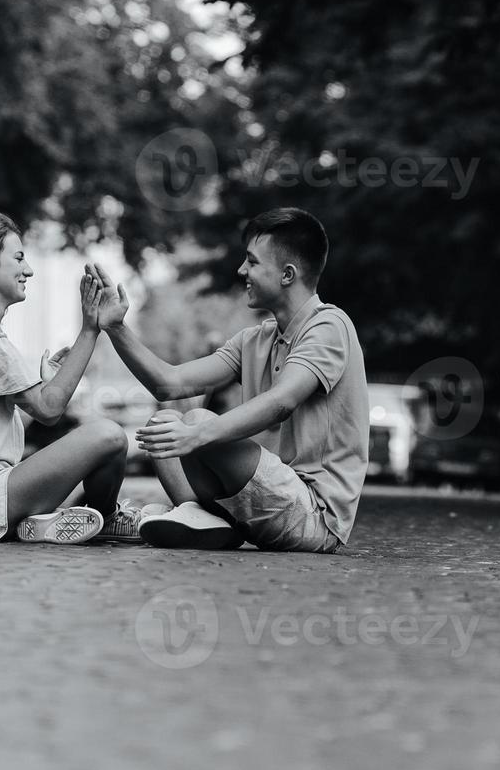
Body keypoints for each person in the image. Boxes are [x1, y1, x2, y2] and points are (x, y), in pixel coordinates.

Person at [90, 208, 369, 553]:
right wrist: (116, 328)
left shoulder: (328, 326)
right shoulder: (255, 339)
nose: (242, 271)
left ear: (287, 275)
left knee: (196, 422)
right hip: (264, 497)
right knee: (164, 422)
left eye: (252, 262)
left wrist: (197, 434)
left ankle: (199, 514)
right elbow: (169, 382)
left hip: (315, 516)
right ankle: (202, 516)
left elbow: (282, 401)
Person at [0, 212, 149, 544]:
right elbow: (49, 409)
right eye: (18, 258)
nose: (28, 270)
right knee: (109, 437)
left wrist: (46, 382)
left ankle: (49, 520)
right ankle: (104, 517)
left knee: (105, 446)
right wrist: (91, 328)